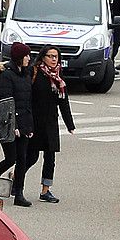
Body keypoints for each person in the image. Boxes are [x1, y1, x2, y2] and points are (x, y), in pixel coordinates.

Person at [27, 46, 75, 204]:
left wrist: (70, 124)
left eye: (56, 57)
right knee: (32, 157)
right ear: (43, 57)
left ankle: (45, 190)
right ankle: (16, 177)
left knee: (50, 157)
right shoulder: (34, 72)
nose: (54, 59)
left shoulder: (58, 76)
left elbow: (63, 101)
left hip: (51, 122)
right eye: (51, 56)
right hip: (35, 121)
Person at [0, 42, 35, 207]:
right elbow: (5, 103)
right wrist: (13, 126)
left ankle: (19, 193)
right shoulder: (6, 76)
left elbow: (27, 103)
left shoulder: (25, 74)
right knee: (11, 158)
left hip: (24, 124)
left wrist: (29, 127)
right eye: (26, 56)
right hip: (7, 123)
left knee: (22, 159)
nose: (29, 59)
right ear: (18, 57)